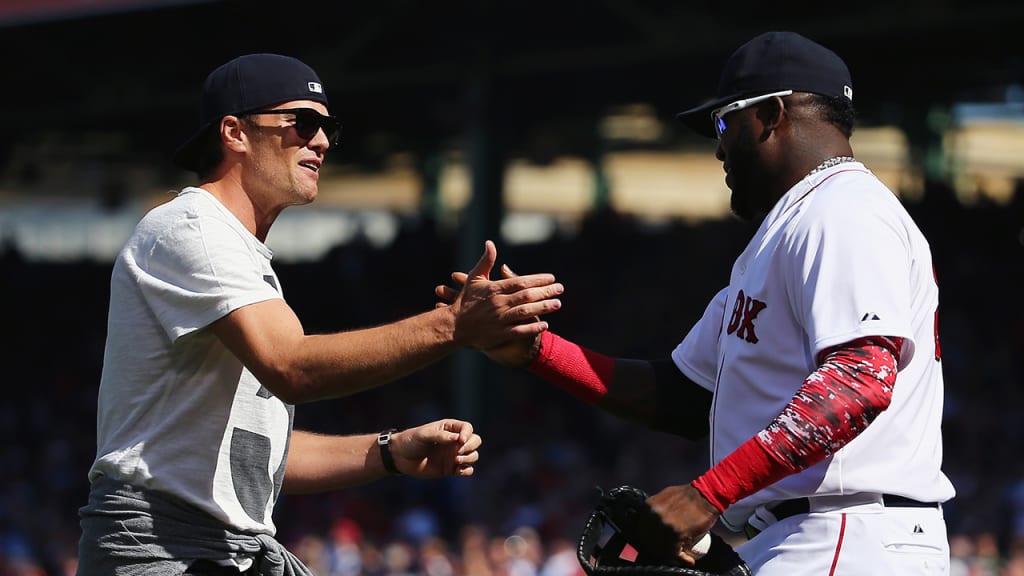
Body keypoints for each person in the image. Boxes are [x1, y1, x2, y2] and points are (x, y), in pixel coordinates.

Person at [439, 31, 955, 574]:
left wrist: (709, 495)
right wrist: (537, 350)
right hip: (809, 532)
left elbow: (860, 378)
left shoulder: (843, 210)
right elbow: (683, 397)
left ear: (772, 115)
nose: (716, 147)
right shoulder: (786, 232)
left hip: (848, 532)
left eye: (723, 123)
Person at [77, 53, 564, 576]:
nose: (323, 142)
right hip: (161, 547)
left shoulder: (236, 250)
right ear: (234, 132)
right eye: (302, 123)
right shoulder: (192, 228)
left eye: (328, 127)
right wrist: (451, 326)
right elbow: (293, 368)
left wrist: (391, 451)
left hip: (222, 551)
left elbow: (261, 454)